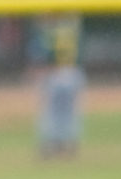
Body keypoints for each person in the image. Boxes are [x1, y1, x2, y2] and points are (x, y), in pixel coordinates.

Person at [28, 13, 85, 158]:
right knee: (70, 113)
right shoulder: (71, 30)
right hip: (73, 72)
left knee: (50, 113)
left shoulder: (49, 32)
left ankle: (51, 145)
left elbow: (43, 55)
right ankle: (70, 143)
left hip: (54, 73)